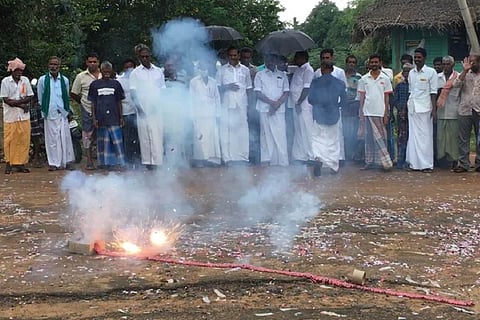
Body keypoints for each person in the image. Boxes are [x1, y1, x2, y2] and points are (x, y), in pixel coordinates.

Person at [129, 46, 166, 170]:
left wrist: (158, 105)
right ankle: (148, 162)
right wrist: (139, 109)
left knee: (157, 134)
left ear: (150, 56)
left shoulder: (158, 71)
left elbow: (162, 90)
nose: (145, 59)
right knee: (145, 136)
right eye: (142, 57)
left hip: (156, 108)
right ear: (139, 58)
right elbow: (133, 92)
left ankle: (158, 162)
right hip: (143, 109)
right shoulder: (135, 73)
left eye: (147, 56)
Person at [308, 61, 347, 176]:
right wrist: (336, 106)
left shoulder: (315, 82)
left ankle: (318, 159)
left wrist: (319, 106)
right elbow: (344, 102)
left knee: (317, 139)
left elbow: (310, 99)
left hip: (319, 115)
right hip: (333, 115)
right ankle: (333, 166)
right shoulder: (339, 83)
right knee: (333, 141)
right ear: (332, 70)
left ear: (322, 69)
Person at [37, 56, 75, 171]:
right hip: (49, 112)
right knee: (52, 139)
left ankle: (66, 161)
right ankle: (53, 163)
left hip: (62, 113)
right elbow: (40, 96)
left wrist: (66, 111)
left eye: (55, 65)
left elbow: (66, 97)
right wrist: (45, 109)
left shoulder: (65, 80)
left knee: (65, 137)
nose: (53, 67)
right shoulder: (43, 80)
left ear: (59, 66)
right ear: (48, 65)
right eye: (51, 64)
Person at [216, 46, 252, 165]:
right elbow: (217, 88)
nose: (233, 57)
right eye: (230, 55)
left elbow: (249, 89)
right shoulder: (221, 70)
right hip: (227, 104)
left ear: (239, 55)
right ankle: (227, 158)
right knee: (226, 131)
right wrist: (227, 87)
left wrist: (249, 105)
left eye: (235, 55)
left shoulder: (245, 70)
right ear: (228, 56)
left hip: (242, 104)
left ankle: (243, 158)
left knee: (242, 130)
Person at [357, 54, 394, 171]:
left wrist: (386, 114)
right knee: (368, 139)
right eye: (372, 62)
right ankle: (369, 162)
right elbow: (361, 98)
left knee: (381, 138)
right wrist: (361, 114)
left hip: (380, 112)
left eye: (376, 62)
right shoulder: (363, 79)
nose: (374, 64)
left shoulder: (385, 78)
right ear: (369, 64)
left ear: (380, 63)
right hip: (368, 112)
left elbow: (387, 98)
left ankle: (383, 162)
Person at [88, 61, 126, 170]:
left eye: (109, 72)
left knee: (117, 142)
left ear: (112, 71)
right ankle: (104, 163)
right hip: (101, 119)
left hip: (114, 118)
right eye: (105, 72)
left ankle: (120, 163)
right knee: (103, 142)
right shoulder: (95, 85)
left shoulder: (116, 84)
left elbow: (119, 102)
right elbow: (93, 103)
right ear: (101, 71)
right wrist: (94, 119)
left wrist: (121, 117)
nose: (107, 74)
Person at [406, 47, 438, 172]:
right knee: (413, 136)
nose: (417, 59)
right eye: (415, 57)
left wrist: (434, 110)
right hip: (413, 108)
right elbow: (411, 92)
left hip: (425, 108)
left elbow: (433, 92)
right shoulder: (411, 73)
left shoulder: (431, 72)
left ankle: (426, 165)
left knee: (425, 137)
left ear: (424, 58)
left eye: (419, 57)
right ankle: (414, 164)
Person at [254, 54, 289, 166]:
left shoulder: (282, 75)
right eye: (268, 60)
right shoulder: (259, 75)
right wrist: (271, 103)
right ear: (265, 61)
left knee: (280, 135)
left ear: (276, 61)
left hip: (279, 110)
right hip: (265, 109)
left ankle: (282, 161)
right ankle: (267, 160)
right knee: (266, 135)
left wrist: (277, 104)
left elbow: (286, 92)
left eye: (272, 60)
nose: (270, 63)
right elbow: (258, 92)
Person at [0, 58, 34, 174]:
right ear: (12, 71)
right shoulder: (5, 81)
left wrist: (19, 103)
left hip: (24, 117)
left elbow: (30, 96)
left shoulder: (25, 80)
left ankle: (21, 163)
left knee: (23, 140)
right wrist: (21, 105)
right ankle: (9, 163)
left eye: (21, 70)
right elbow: (6, 100)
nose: (19, 73)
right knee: (10, 140)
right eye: (17, 70)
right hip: (11, 117)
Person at [315, 48, 347, 165]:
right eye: (323, 58)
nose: (325, 60)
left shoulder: (340, 72)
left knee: (335, 135)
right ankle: (327, 161)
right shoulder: (316, 73)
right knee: (324, 137)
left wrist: (337, 105)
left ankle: (338, 158)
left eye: (327, 58)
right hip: (324, 111)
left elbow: (344, 90)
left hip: (333, 109)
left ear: (332, 58)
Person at [71, 53, 101, 170]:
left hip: (103, 111)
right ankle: (89, 160)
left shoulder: (104, 74)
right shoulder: (81, 76)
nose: (92, 64)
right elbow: (73, 93)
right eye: (90, 62)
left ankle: (101, 159)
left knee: (101, 135)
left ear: (98, 62)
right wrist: (82, 102)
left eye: (95, 62)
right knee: (87, 134)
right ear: (86, 63)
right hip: (87, 109)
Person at [189, 59, 222, 167]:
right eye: (202, 68)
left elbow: (217, 98)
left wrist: (218, 114)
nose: (204, 70)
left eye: (206, 68)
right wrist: (192, 115)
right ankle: (201, 160)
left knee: (213, 137)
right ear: (198, 69)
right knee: (201, 138)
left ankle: (213, 160)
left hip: (211, 114)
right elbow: (191, 99)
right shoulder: (194, 82)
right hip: (199, 114)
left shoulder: (213, 81)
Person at [452, 54, 480, 172]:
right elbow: (456, 85)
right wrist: (464, 71)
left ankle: (479, 163)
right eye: (470, 62)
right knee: (463, 139)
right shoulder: (464, 75)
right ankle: (463, 164)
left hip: (478, 110)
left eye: (473, 62)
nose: (471, 64)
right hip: (465, 110)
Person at [289, 51, 315, 165]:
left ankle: (310, 156)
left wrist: (299, 102)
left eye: (297, 58)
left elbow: (306, 88)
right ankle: (300, 155)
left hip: (303, 104)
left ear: (303, 58)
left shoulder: (308, 70)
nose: (295, 60)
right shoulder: (299, 69)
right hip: (296, 104)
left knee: (306, 129)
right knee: (298, 129)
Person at [435, 56, 460, 169]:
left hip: (453, 110)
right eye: (444, 64)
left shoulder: (458, 76)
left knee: (453, 137)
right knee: (441, 137)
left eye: (447, 64)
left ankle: (454, 159)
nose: (445, 66)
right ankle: (442, 158)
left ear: (452, 65)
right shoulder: (437, 77)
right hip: (440, 111)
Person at [116, 58, 141, 168]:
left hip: (138, 112)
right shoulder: (119, 80)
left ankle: (138, 159)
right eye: (126, 67)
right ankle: (128, 161)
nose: (129, 69)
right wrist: (120, 116)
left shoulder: (138, 79)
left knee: (138, 136)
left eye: (131, 67)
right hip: (125, 112)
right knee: (127, 138)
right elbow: (118, 99)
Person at [392, 63, 414, 169]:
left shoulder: (414, 86)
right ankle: (400, 161)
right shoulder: (399, 85)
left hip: (413, 116)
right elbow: (395, 99)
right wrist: (401, 110)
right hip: (401, 116)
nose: (406, 73)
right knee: (401, 138)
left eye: (409, 71)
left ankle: (410, 160)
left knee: (412, 138)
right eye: (404, 71)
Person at [240, 47, 260, 165]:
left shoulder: (254, 70)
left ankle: (254, 156)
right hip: (241, 102)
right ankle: (243, 154)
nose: (246, 60)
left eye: (248, 57)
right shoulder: (239, 69)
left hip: (253, 102)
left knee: (254, 130)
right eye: (244, 57)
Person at [343, 54, 362, 162]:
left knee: (354, 131)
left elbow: (360, 92)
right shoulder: (341, 74)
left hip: (354, 105)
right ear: (346, 63)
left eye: (353, 62)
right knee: (345, 131)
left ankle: (353, 156)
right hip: (343, 105)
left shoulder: (359, 77)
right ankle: (345, 155)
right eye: (350, 62)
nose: (351, 64)